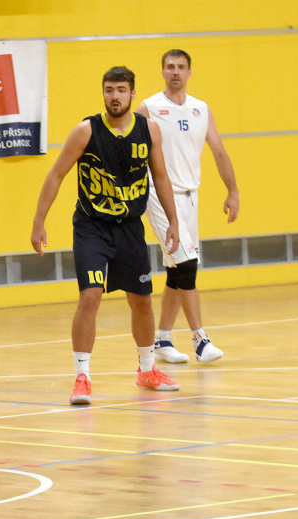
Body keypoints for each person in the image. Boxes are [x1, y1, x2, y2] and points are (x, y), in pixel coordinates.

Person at [30, 67, 182, 406]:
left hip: (129, 227)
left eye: (121, 90)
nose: (115, 96)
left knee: (141, 300)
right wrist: (39, 222)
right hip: (92, 227)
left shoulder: (149, 130)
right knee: (91, 297)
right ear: (103, 93)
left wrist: (173, 221)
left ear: (131, 94)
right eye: (109, 89)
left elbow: (161, 176)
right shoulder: (86, 131)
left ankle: (147, 370)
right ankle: (82, 377)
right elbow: (56, 175)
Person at [137, 49, 240, 363]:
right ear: (163, 72)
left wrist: (232, 190)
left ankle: (163, 339)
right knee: (187, 265)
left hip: (189, 196)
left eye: (181, 67)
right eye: (170, 67)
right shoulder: (149, 108)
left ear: (190, 72)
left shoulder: (200, 109)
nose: (175, 72)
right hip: (158, 193)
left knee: (175, 269)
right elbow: (129, 147)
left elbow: (219, 151)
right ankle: (200, 339)